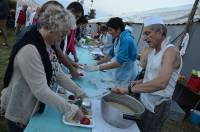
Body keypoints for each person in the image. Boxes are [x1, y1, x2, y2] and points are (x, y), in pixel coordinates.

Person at [1, 5, 85, 132]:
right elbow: (40, 90)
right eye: (62, 34)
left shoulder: (47, 45)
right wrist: (70, 109)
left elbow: (57, 73)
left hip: (33, 105)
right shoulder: (30, 49)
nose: (62, 39)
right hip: (20, 111)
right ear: (53, 28)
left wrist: (78, 90)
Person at [112, 16, 182, 132]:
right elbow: (151, 77)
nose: (145, 38)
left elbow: (162, 82)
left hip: (157, 104)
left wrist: (128, 90)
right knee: (137, 127)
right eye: (144, 34)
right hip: (145, 98)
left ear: (160, 31)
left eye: (148, 33)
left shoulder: (170, 51)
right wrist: (138, 82)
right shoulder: (154, 51)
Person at [84, 17, 138, 87]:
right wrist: (96, 63)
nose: (109, 32)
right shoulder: (117, 38)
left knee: (119, 91)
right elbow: (110, 55)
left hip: (127, 73)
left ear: (118, 29)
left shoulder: (126, 39)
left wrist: (98, 67)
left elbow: (119, 63)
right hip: (120, 71)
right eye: (108, 30)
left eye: (110, 30)